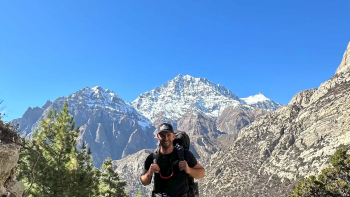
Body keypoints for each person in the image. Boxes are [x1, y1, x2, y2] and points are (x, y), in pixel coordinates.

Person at [140, 123, 205, 197]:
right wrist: (150, 172)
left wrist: (189, 170)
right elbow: (144, 181)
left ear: (173, 136)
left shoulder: (185, 155)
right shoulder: (152, 158)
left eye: (168, 135)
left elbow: (202, 173)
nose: (166, 138)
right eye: (162, 135)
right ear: (158, 137)